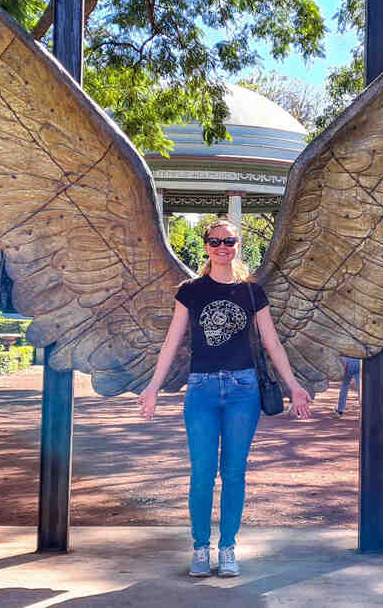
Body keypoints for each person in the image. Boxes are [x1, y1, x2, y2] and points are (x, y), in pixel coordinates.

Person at [138, 218, 312, 579]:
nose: (222, 247)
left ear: (237, 246)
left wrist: (293, 385)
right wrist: (153, 387)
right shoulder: (190, 291)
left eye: (229, 241)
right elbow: (172, 341)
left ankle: (228, 547)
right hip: (201, 389)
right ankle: (201, 547)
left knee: (234, 473)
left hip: (243, 391)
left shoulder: (252, 292)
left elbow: (271, 342)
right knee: (202, 473)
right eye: (215, 241)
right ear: (206, 246)